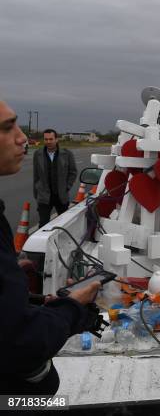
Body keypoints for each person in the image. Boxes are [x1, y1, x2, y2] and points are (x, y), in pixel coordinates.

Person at [0, 100, 101, 395]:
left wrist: (16, 288)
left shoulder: (67, 155)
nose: (22, 138)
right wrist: (72, 307)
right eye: (8, 128)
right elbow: (22, 342)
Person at [33, 128, 77, 227]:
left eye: (51, 139)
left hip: (61, 195)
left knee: (64, 224)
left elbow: (73, 172)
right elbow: (36, 175)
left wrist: (67, 187)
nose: (48, 141)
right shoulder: (38, 154)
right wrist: (36, 192)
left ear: (56, 139)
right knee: (43, 225)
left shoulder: (67, 154)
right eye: (46, 139)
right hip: (44, 196)